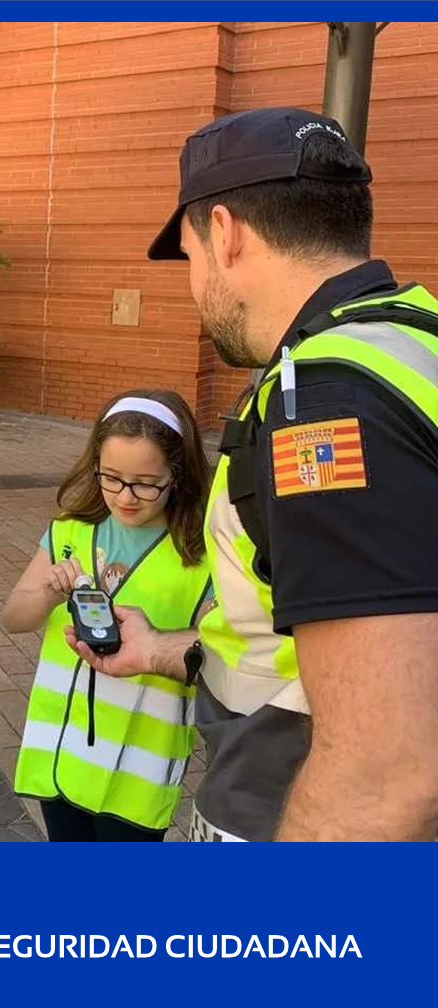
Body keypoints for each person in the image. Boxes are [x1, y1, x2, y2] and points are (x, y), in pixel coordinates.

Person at [74, 106, 438, 842]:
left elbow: (388, 770)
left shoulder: (323, 406)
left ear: (226, 231)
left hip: (291, 807)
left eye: (188, 255)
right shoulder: (411, 338)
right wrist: (167, 651)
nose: (194, 283)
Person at [4, 391, 212, 841]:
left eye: (146, 482)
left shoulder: (201, 557)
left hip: (138, 769)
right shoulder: (69, 530)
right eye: (112, 478)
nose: (126, 496)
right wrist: (45, 592)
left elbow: (220, 653)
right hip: (60, 756)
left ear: (178, 475)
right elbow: (14, 617)